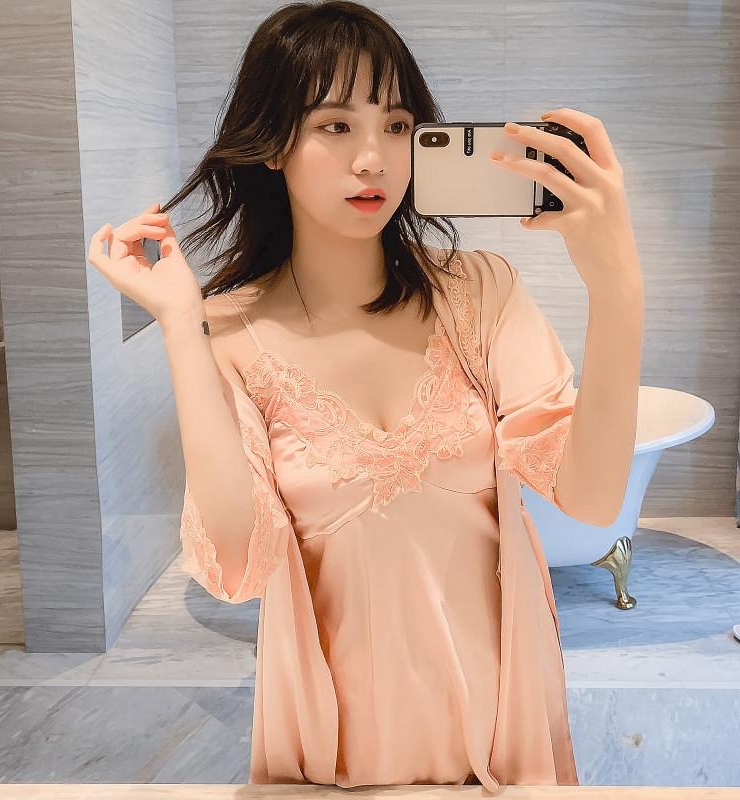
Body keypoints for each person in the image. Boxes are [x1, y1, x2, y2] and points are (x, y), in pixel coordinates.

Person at [88, 0, 645, 791]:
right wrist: (182, 322)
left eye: (397, 125)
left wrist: (617, 286)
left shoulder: (480, 295)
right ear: (273, 143)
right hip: (337, 759)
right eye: (336, 125)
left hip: (499, 741)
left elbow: (592, 499)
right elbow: (237, 565)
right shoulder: (230, 335)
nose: (374, 158)